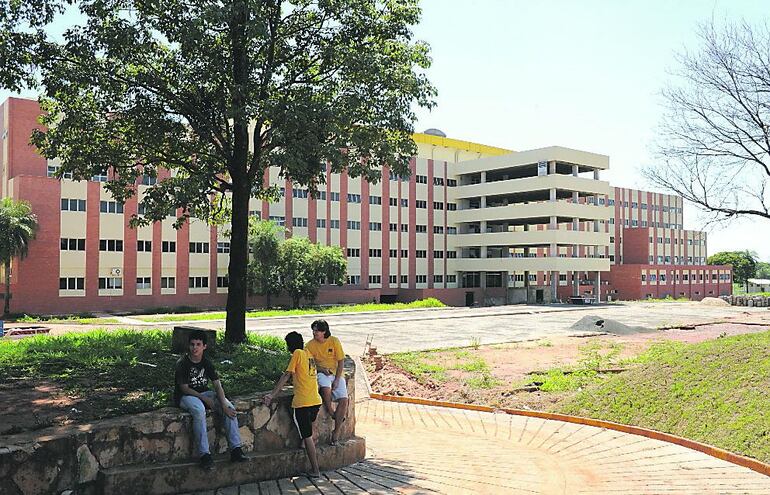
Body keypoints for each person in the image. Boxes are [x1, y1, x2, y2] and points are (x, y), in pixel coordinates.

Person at [174, 330, 247, 470]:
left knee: (230, 407)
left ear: (204, 346)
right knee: (199, 410)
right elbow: (184, 388)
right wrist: (204, 399)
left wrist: (224, 405)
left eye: (198, 344)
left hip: (203, 393)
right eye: (192, 344)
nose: (194, 347)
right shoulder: (182, 363)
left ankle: (236, 450)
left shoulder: (206, 362)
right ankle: (204, 455)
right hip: (186, 397)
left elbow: (217, 385)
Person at [263, 331, 322, 478]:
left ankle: (315, 470)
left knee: (307, 436)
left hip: (303, 403)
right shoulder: (308, 354)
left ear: (289, 345)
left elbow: (286, 375)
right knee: (308, 432)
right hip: (316, 401)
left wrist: (272, 395)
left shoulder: (296, 353)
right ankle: (307, 450)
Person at [305, 319, 348, 445]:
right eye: (313, 330)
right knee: (326, 387)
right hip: (321, 373)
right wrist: (321, 369)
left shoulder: (334, 341)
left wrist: (337, 379)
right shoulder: (310, 345)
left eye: (317, 330)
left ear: (324, 331)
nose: (314, 333)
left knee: (344, 399)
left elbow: (341, 361)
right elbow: (309, 363)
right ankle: (331, 411)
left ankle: (336, 431)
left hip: (335, 373)